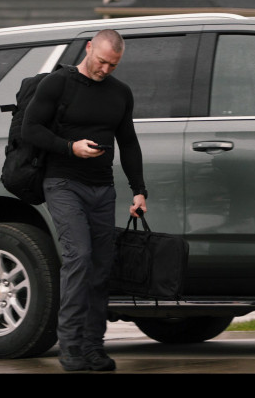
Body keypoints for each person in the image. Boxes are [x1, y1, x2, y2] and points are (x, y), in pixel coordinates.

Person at [22, 29, 148, 371]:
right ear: (89, 48)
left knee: (101, 267)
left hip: (102, 188)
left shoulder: (120, 93)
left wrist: (139, 190)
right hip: (63, 182)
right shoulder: (58, 84)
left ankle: (94, 346)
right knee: (79, 257)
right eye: (101, 61)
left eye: (113, 65)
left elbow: (130, 142)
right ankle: (71, 346)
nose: (105, 69)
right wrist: (69, 147)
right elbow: (30, 129)